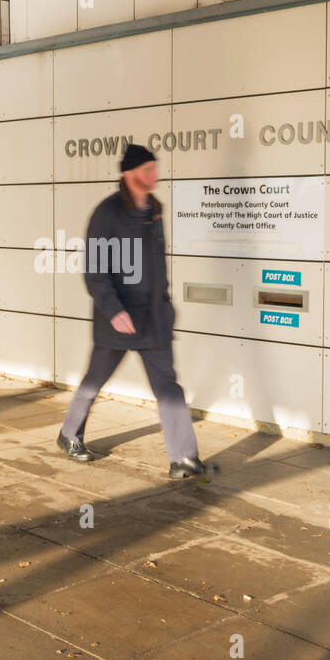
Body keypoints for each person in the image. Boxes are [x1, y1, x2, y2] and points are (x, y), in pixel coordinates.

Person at [56, 143, 214, 479]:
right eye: (147, 170)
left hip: (153, 319)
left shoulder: (154, 210)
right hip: (118, 320)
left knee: (168, 386)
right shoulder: (107, 213)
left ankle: (184, 458)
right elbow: (95, 270)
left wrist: (167, 308)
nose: (154, 175)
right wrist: (114, 310)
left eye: (155, 168)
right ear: (129, 174)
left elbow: (158, 269)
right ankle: (69, 434)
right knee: (95, 380)